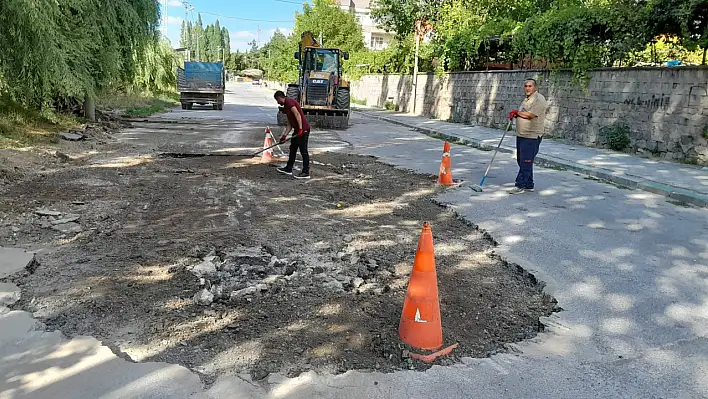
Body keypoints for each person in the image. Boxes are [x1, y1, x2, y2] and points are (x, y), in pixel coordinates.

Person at [508, 78, 547, 194]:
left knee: (526, 161)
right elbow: (522, 113)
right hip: (522, 134)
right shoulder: (527, 99)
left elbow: (531, 115)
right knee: (522, 160)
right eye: (526, 86)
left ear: (535, 87)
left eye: (530, 86)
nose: (527, 88)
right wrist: (516, 115)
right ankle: (529, 184)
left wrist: (517, 113)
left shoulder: (539, 99)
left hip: (532, 135)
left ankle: (520, 185)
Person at [274, 90, 312, 179]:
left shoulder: (289, 103)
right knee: (293, 148)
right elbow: (290, 123)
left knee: (303, 151)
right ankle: (289, 168)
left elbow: (297, 114)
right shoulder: (286, 106)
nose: (277, 102)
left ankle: (306, 172)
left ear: (280, 98)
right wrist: (284, 135)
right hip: (298, 129)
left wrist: (301, 129)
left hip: (304, 130)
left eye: (277, 100)